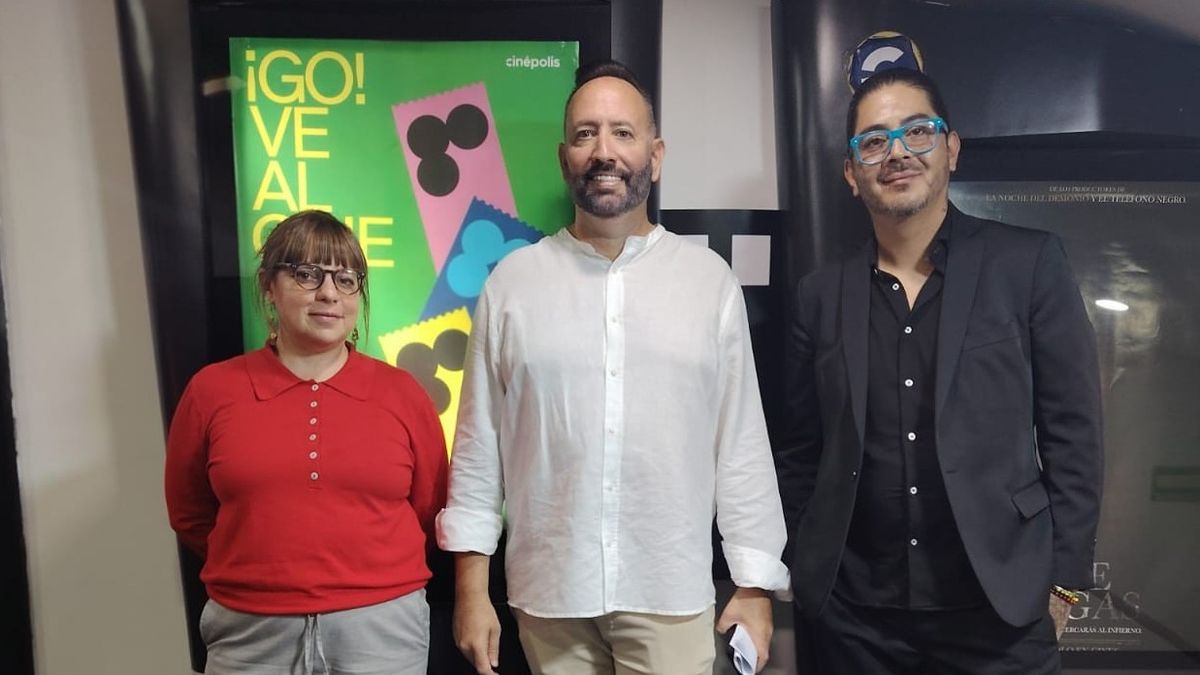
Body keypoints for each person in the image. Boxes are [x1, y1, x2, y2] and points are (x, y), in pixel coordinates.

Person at [437, 60, 789, 675]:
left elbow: (741, 448)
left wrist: (755, 587)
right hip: (548, 596)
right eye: (585, 134)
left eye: (622, 134)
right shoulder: (512, 285)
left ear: (655, 155)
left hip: (670, 593)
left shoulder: (708, 284)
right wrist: (471, 590)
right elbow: (477, 449)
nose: (604, 151)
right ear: (563, 157)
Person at [778, 67, 1104, 674]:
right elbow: (800, 450)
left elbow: (1074, 436)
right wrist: (803, 561)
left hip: (998, 613)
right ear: (853, 174)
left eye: (917, 132)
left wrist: (1064, 583)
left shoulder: (1028, 264)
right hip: (853, 620)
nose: (897, 152)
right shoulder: (819, 295)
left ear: (950, 149)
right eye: (873, 141)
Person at [165, 210, 449, 675]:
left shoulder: (401, 394)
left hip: (381, 629)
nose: (329, 294)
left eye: (346, 278)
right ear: (268, 286)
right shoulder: (212, 391)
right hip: (250, 633)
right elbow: (191, 512)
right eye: (306, 274)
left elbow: (429, 508)